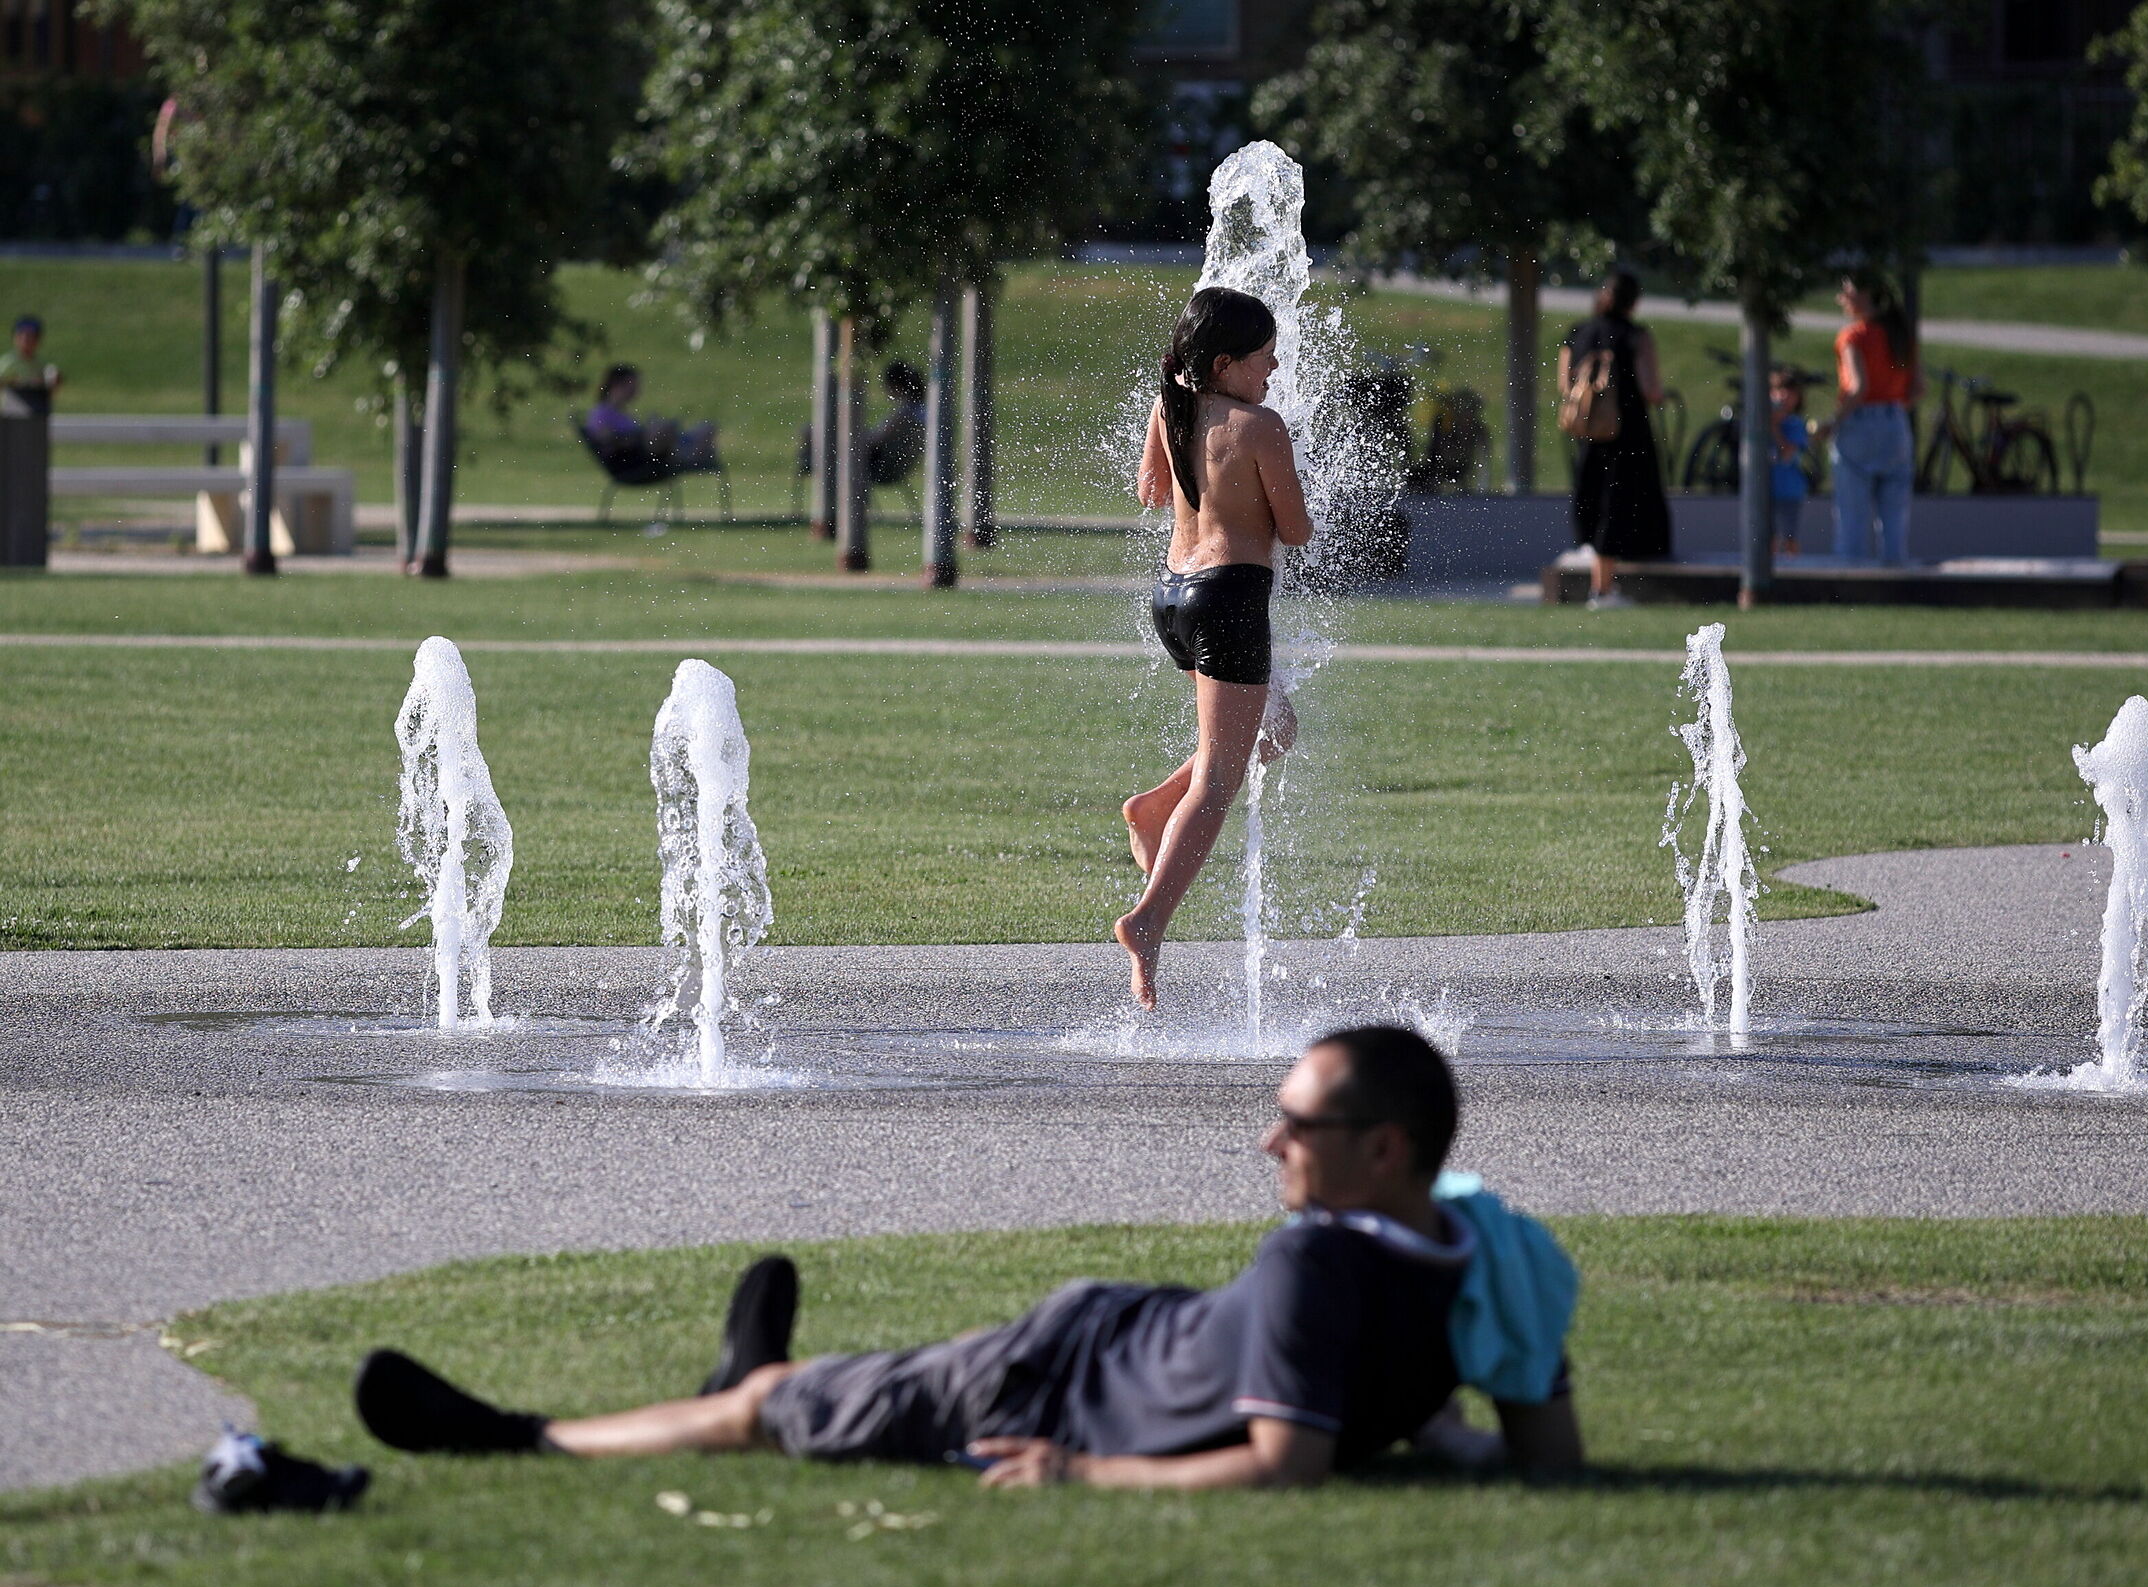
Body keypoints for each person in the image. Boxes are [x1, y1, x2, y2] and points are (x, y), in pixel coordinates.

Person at [349, 1026, 1585, 1490]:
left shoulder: (1321, 1264)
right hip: (1103, 1335)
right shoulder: (1493, 1251)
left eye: (1297, 1123)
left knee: (771, 1411)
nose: (1269, 1139)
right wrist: (1441, 1438)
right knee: (807, 1399)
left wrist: (1076, 1474)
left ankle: (520, 1436)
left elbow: (1283, 1465)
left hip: (1052, 1387)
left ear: (1384, 1148)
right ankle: (752, 1378)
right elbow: (1538, 1452)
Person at [1114, 287, 1312, 1010]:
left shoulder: (1171, 406)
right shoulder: (1260, 426)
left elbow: (1150, 492)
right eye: (1264, 356)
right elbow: (1295, 531)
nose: (1276, 366)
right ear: (1227, 362)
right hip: (1229, 599)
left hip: (1173, 596)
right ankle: (1148, 922)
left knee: (1277, 729)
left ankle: (1151, 807)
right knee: (1221, 779)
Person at [1558, 270, 1669, 609]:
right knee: (1618, 506)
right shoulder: (1635, 336)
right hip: (1627, 435)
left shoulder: (1577, 333)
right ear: (1633, 301)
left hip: (1588, 435)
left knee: (1591, 501)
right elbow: (1651, 390)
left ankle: (1601, 584)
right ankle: (1603, 589)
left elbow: (1564, 385)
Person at [1829, 275, 1920, 566]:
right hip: (1896, 422)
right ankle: (1896, 583)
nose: (1841, 299)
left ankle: (1850, 588)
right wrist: (1892, 410)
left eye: (1847, 292)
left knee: (1851, 517)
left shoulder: (1853, 336)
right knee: (1894, 520)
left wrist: (1833, 422)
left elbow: (1858, 388)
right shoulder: (1901, 334)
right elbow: (1918, 388)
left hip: (1860, 422)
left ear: (1867, 296)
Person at [585, 365, 718, 476]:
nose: (637, 391)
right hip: (631, 461)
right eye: (633, 386)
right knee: (663, 429)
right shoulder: (601, 413)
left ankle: (690, 452)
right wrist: (640, 435)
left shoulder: (621, 413)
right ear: (618, 385)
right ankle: (689, 455)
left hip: (644, 453)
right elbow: (605, 439)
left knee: (708, 427)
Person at [1769, 366, 1813, 558]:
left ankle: (1793, 568)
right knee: (1767, 536)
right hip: (1766, 490)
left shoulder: (1795, 425)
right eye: (1779, 391)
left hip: (1789, 492)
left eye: (1790, 393)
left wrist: (1774, 427)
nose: (1783, 397)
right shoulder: (1762, 423)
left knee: (1789, 536)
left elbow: (1786, 454)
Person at [864, 361, 928, 487]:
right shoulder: (923, 411)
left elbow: (876, 439)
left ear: (896, 386)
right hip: (898, 468)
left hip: (882, 468)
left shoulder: (905, 414)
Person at [1, 316, 62, 417]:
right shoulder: (7, 363)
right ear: (15, 338)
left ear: (38, 341)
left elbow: (51, 390)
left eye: (30, 337)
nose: (26, 341)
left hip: (36, 413)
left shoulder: (43, 365)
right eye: (22, 336)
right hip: (9, 414)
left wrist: (52, 383)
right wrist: (12, 382)